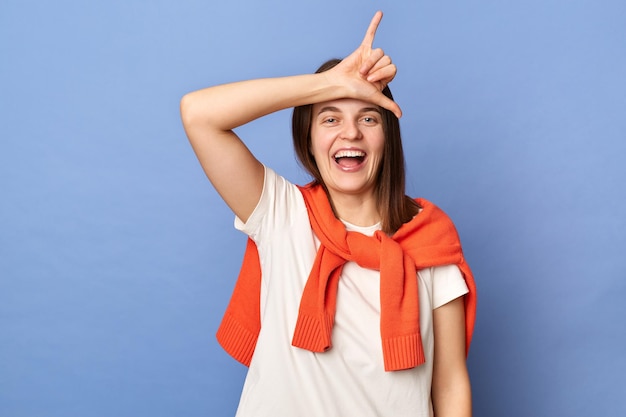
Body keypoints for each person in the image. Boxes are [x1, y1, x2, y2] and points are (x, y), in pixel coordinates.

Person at [181, 11, 476, 417]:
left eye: (368, 118)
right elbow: (199, 114)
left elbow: (450, 384)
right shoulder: (281, 214)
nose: (350, 133)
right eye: (330, 118)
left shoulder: (430, 240)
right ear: (309, 138)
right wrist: (330, 82)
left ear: (387, 137)